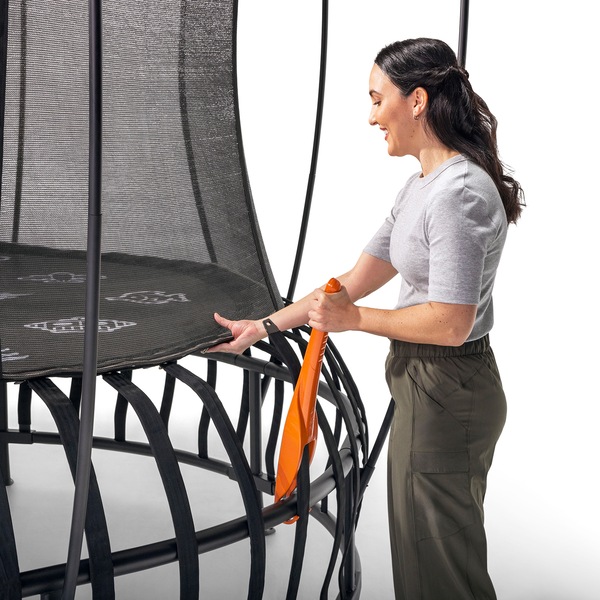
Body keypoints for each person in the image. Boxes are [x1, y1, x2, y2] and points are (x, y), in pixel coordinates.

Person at [206, 37, 524, 600]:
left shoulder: (458, 193)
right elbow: (349, 283)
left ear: (417, 101)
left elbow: (451, 323)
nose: (371, 116)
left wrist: (353, 320)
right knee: (427, 564)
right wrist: (266, 326)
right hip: (429, 384)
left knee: (442, 574)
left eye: (378, 100)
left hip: (448, 386)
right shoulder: (422, 187)